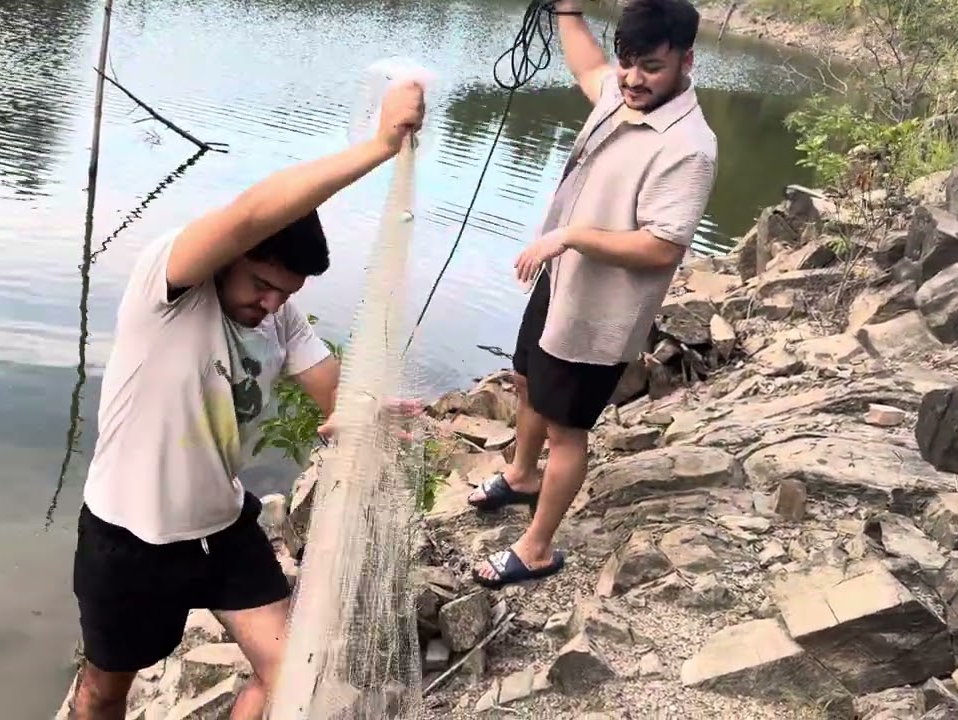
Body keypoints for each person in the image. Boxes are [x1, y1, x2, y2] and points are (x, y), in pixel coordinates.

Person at [69, 82, 427, 720]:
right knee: (103, 692)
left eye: (283, 293)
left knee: (292, 677)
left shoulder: (279, 320)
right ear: (231, 259)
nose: (271, 304)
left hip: (223, 529)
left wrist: (362, 412)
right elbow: (250, 214)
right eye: (262, 284)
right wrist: (379, 148)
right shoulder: (170, 288)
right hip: (128, 539)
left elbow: (331, 393)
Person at [467, 0, 718, 589]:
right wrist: (568, 10)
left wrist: (572, 236)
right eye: (628, 63)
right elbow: (587, 66)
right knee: (526, 378)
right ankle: (521, 476)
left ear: (686, 61)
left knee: (567, 429)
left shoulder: (689, 147)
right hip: (560, 282)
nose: (631, 78)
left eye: (650, 67)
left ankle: (535, 549)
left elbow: (662, 248)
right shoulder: (622, 95)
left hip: (598, 318)